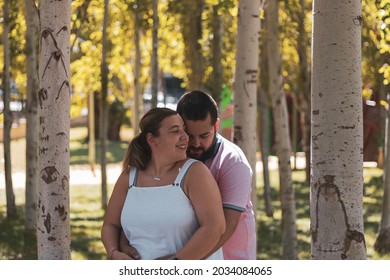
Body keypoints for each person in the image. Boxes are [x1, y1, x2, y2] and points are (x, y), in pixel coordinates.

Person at [101, 107, 225, 260]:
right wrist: (114, 253)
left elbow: (214, 227)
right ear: (152, 139)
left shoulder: (195, 173)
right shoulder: (129, 176)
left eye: (183, 129)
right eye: (175, 131)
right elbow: (110, 225)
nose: (185, 136)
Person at [176, 90, 256, 260]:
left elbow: (227, 225)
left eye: (204, 135)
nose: (196, 143)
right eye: (189, 136)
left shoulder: (234, 162)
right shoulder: (174, 156)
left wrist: (180, 263)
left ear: (217, 126)